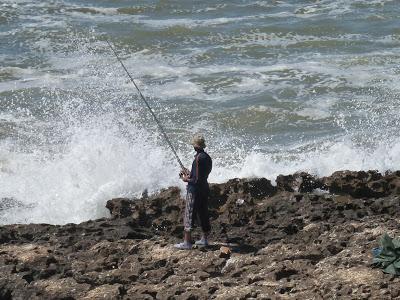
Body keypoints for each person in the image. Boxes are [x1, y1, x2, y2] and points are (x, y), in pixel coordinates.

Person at [174, 134, 212, 250]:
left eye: (194, 145)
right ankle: (204, 240)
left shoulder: (198, 158)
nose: (193, 147)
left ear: (196, 145)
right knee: (203, 213)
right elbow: (200, 176)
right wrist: (188, 172)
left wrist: (185, 179)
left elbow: (195, 180)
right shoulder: (207, 157)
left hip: (194, 191)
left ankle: (187, 242)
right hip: (204, 189)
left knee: (189, 214)